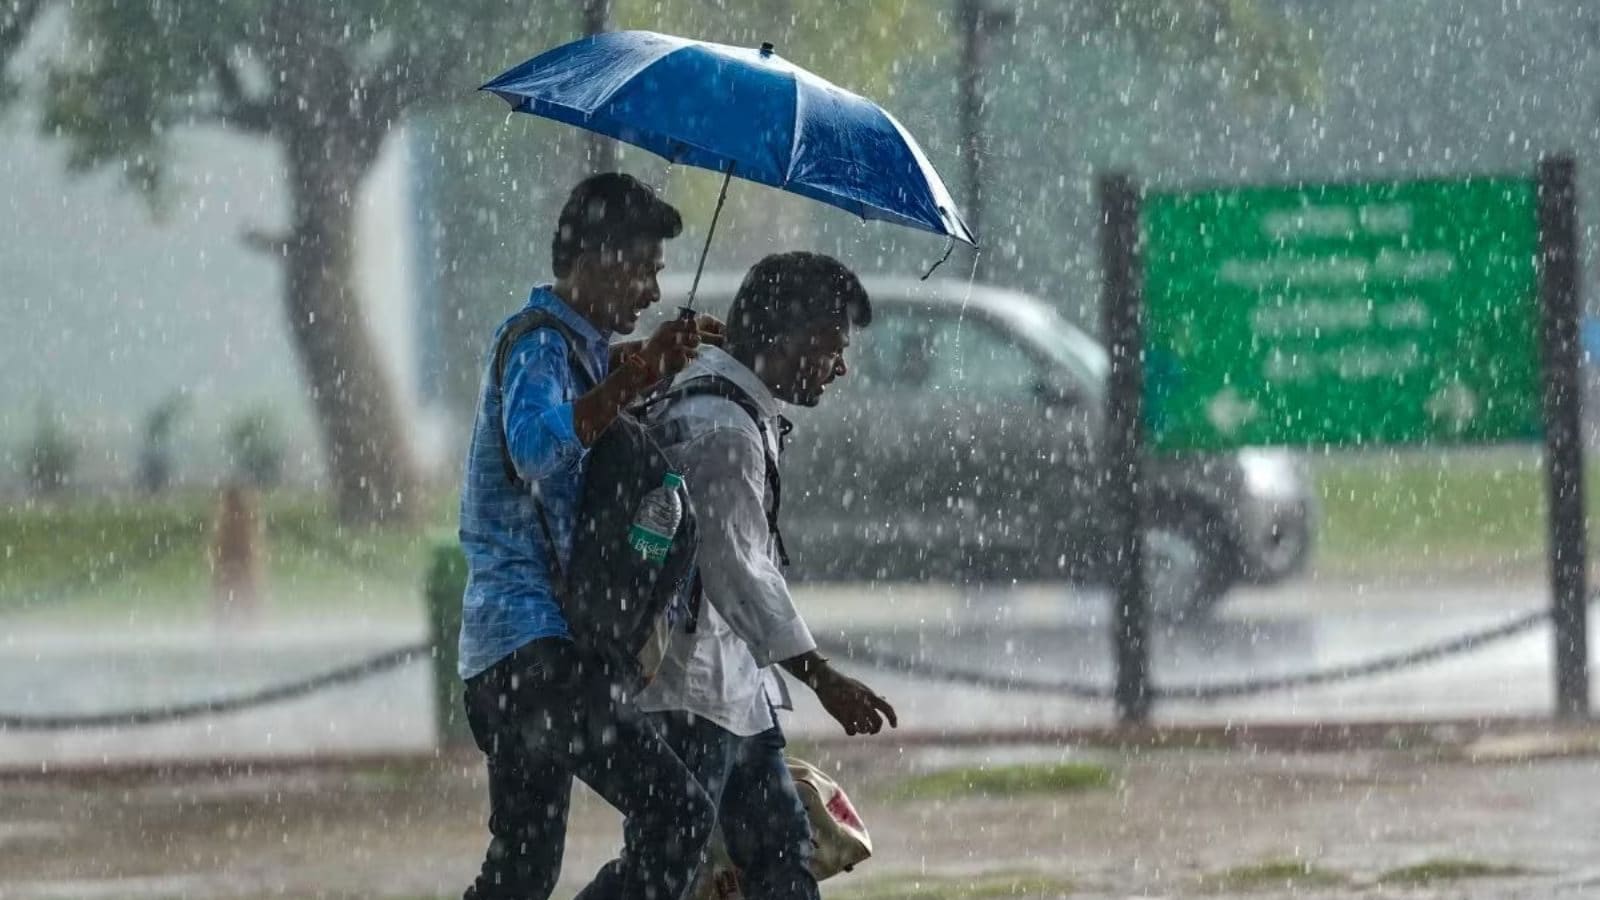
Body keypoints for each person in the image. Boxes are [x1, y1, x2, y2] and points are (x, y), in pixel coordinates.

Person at [591, 252, 899, 900]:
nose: (839, 366)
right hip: (688, 688)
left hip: (729, 687)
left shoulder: (701, 388)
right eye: (828, 346)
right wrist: (823, 677)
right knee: (664, 870)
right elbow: (735, 567)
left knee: (777, 855)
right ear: (784, 338)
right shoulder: (723, 432)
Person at [457, 172, 723, 900]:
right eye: (643, 269)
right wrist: (629, 382)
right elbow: (537, 448)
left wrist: (647, 361)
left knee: (521, 870)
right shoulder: (536, 347)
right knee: (677, 813)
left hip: (518, 658)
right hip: (532, 653)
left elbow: (598, 396)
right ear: (599, 258)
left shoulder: (573, 351)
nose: (649, 291)